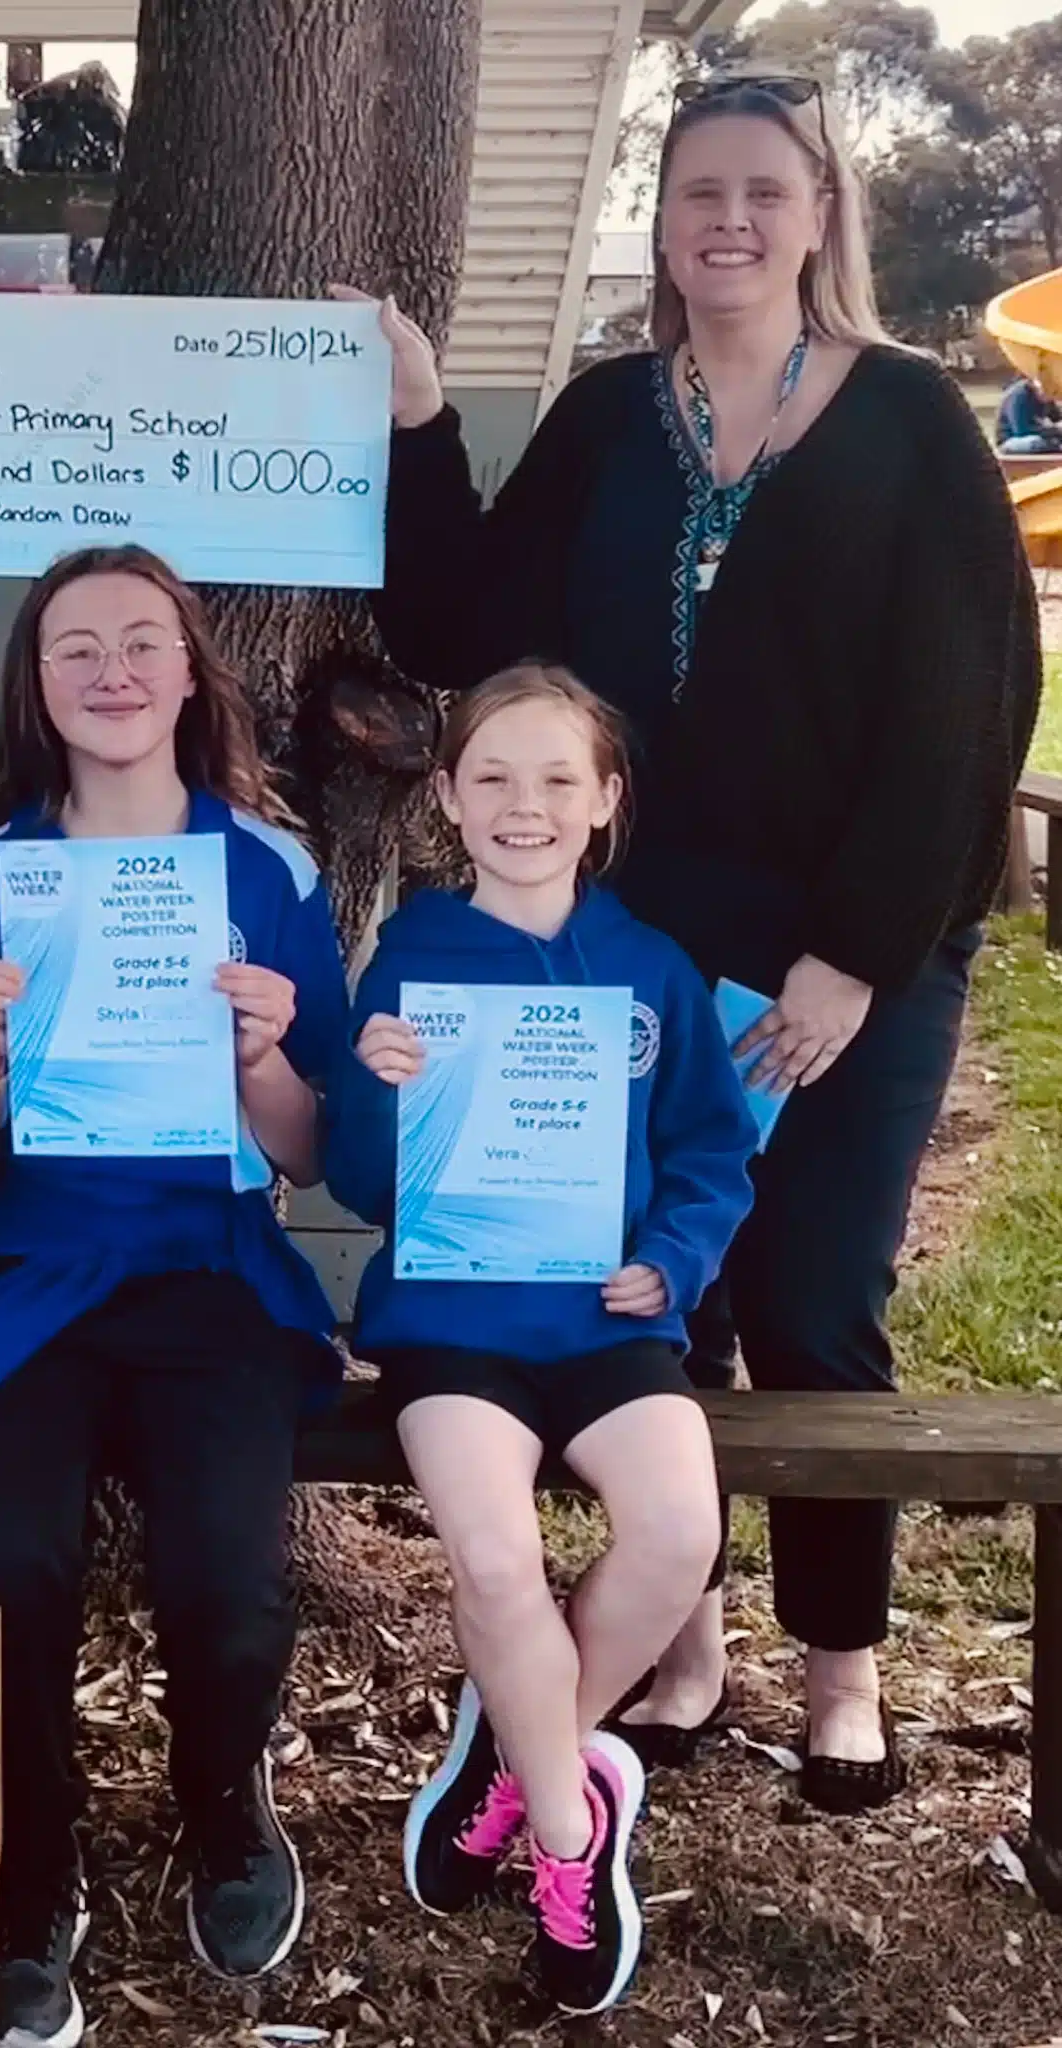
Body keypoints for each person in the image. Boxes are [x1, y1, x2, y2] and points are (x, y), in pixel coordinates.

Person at [345, 68, 1039, 1807]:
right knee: (673, 1292)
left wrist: (853, 953)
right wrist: (417, 419)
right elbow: (460, 623)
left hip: (853, 948)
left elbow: (965, 713)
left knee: (816, 1292)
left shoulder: (908, 422)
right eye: (698, 191)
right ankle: (684, 1636)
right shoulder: (606, 418)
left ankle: (843, 1665)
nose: (729, 220)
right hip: (646, 953)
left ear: (819, 216)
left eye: (763, 190)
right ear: (658, 222)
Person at [0, 546, 349, 2048]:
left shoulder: (267, 874)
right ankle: (35, 1870)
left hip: (211, 1269)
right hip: (34, 1276)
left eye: (143, 640)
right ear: (35, 684)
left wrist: (260, 1059)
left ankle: (223, 1797)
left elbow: (310, 1151)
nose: (112, 670)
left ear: (192, 671)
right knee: (6, 1563)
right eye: (75, 646)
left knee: (226, 1576)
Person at [325, 664, 758, 2016]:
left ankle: (521, 1749)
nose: (528, 805)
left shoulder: (651, 969)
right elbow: (362, 1178)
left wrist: (671, 1259)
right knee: (498, 1558)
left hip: (607, 1319)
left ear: (606, 800)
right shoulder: (411, 959)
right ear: (449, 801)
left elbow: (711, 1151)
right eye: (494, 777)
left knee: (678, 1531)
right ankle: (572, 1835)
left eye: (560, 778)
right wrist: (372, 1089)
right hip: (456, 1325)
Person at [996, 373, 1062, 456]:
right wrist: (1055, 429)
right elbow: (1021, 431)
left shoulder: (1048, 396)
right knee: (1035, 442)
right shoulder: (1018, 395)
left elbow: (1057, 418)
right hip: (1012, 440)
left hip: (1039, 435)